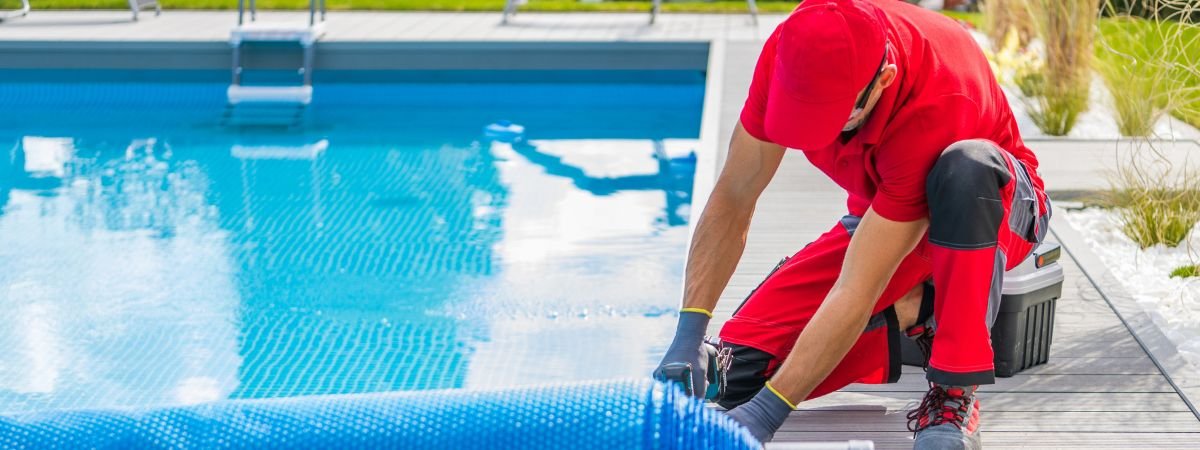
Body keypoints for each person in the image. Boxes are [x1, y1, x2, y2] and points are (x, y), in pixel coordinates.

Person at [651, 1, 1051, 448]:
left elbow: (856, 288)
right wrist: (690, 332)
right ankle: (923, 311)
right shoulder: (790, 53)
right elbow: (734, 195)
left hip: (995, 208)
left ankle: (953, 392)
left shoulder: (938, 96)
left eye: (829, 119)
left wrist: (765, 417)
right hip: (882, 216)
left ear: (883, 81)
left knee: (965, 168)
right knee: (739, 372)